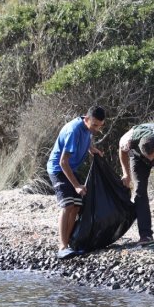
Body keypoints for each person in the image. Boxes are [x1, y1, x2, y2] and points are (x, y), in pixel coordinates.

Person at [46, 105, 105, 258]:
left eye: (100, 126)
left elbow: (85, 139)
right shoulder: (73, 130)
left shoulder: (87, 128)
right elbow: (62, 162)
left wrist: (92, 149)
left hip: (71, 169)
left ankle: (70, 243)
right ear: (86, 119)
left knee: (77, 206)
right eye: (95, 125)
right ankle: (62, 246)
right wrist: (77, 185)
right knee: (68, 205)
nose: (97, 129)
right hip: (59, 170)